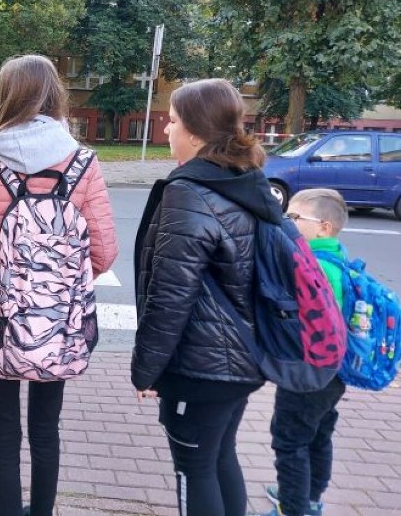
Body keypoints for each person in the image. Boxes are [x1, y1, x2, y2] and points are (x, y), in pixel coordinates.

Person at [0, 54, 118, 516]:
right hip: (56, 319)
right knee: (45, 428)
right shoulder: (83, 161)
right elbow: (103, 253)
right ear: (54, 94)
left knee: (3, 432)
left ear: (6, 96)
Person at [132, 79, 279, 516]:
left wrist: (146, 370)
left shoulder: (189, 193)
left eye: (173, 121)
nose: (166, 131)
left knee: (194, 468)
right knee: (219, 458)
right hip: (241, 357)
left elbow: (171, 296)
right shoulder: (244, 182)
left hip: (200, 365)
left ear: (195, 131)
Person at [253, 188, 349, 516]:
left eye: (295, 217)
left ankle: (291, 508)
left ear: (324, 226)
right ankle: (310, 499)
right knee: (319, 434)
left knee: (290, 442)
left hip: (311, 372)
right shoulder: (338, 257)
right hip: (336, 372)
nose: (288, 222)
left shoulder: (316, 267)